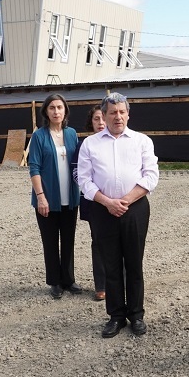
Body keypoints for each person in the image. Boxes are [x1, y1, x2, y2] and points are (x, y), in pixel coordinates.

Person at [77, 92, 159, 338]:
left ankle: (136, 315)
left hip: (134, 209)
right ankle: (115, 316)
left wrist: (125, 200)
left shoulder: (142, 141)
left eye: (122, 112)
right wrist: (107, 202)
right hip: (103, 210)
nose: (118, 116)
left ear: (128, 114)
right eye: (112, 112)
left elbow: (151, 175)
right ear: (104, 115)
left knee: (134, 263)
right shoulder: (90, 144)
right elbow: (84, 180)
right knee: (111, 264)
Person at [30, 93, 82, 299]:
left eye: (59, 107)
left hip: (70, 197)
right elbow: (34, 168)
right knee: (50, 241)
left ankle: (69, 279)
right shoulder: (39, 136)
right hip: (47, 199)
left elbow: (79, 163)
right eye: (52, 108)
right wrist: (41, 196)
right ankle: (55, 282)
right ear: (46, 111)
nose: (56, 111)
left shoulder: (72, 134)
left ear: (65, 110)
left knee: (68, 239)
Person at [79, 106, 108, 302]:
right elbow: (79, 173)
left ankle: (120, 282)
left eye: (103, 118)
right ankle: (101, 285)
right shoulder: (86, 145)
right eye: (96, 119)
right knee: (98, 242)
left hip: (119, 201)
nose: (100, 123)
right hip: (93, 201)